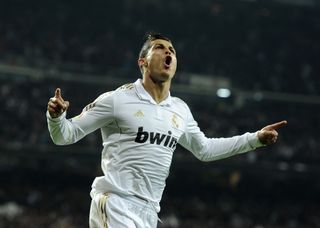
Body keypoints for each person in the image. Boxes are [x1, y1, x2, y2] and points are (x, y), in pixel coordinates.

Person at [46, 32, 287, 228]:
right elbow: (66, 135)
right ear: (143, 62)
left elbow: (205, 149)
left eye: (171, 49)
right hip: (115, 204)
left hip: (150, 212)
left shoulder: (179, 110)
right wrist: (56, 117)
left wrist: (255, 139)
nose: (168, 51)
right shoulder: (117, 100)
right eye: (160, 48)